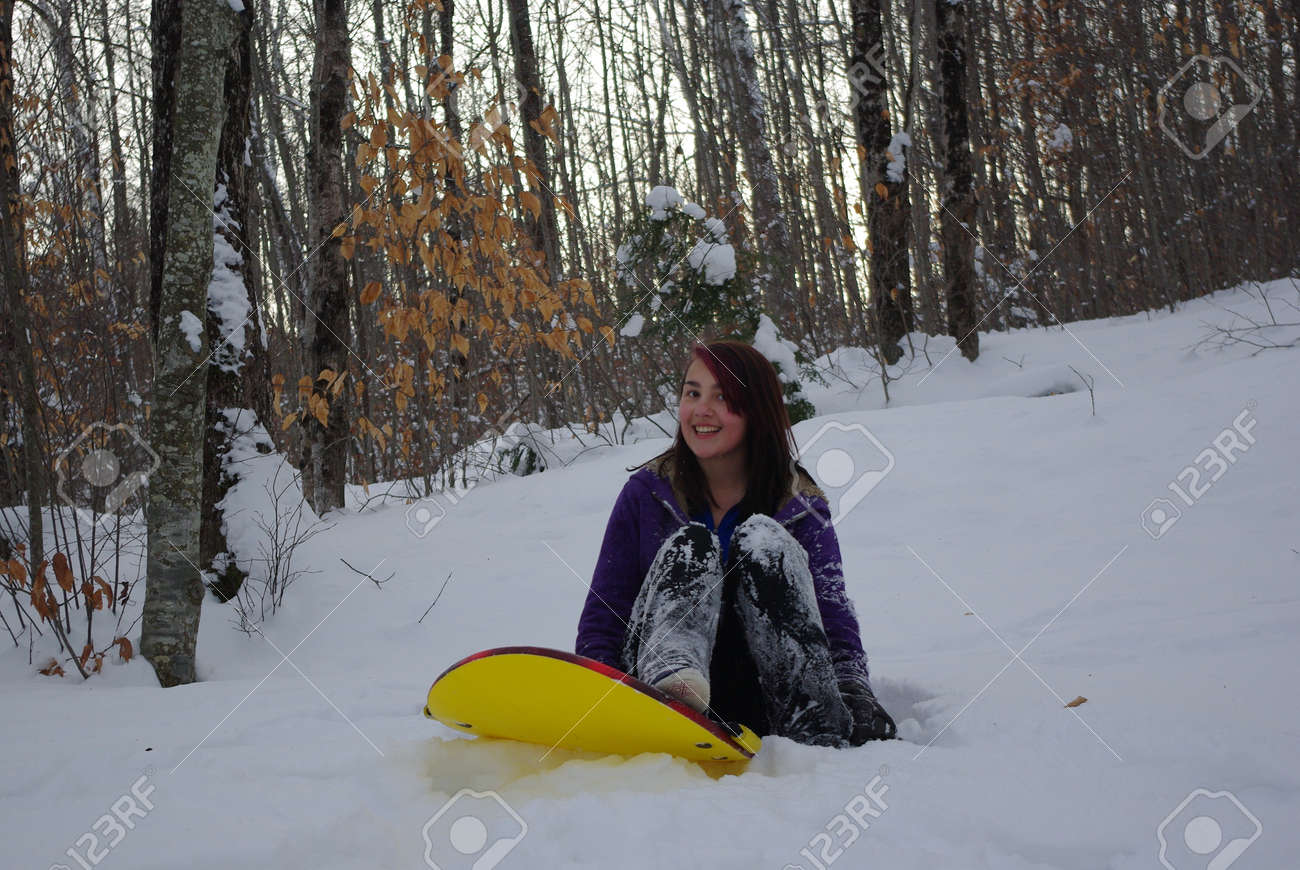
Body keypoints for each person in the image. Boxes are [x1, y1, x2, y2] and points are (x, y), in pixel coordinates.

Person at [574, 340, 896, 747]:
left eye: (722, 397)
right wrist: (599, 690)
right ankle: (677, 687)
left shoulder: (800, 505)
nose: (701, 410)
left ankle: (812, 715)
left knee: (766, 545)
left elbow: (832, 615)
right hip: (656, 692)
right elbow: (605, 614)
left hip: (765, 695)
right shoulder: (646, 494)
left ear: (756, 410)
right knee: (692, 545)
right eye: (692, 393)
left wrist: (853, 688)